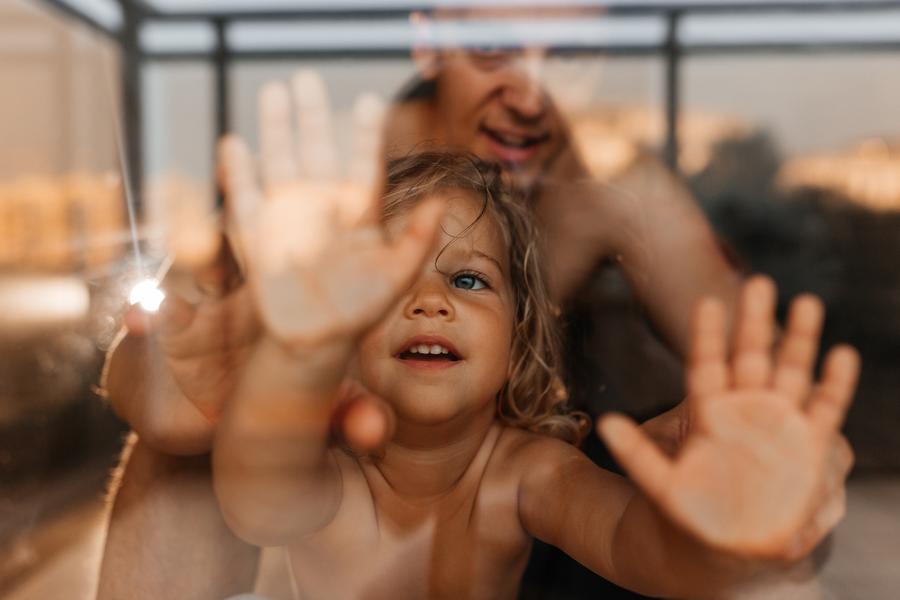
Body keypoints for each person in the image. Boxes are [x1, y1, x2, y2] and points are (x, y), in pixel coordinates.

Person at [209, 143, 859, 599]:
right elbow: (254, 498)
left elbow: (636, 546)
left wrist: (719, 537)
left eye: (468, 279)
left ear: (519, 342)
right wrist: (294, 351)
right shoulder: (327, 474)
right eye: (387, 283)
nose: (429, 300)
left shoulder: (528, 473)